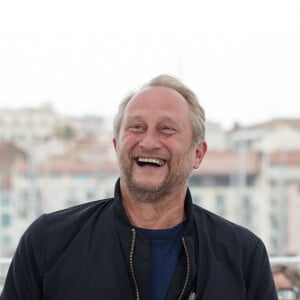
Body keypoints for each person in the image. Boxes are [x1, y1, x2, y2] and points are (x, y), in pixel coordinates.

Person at [0, 74, 277, 300]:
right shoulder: (47, 241)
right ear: (116, 145)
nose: (149, 141)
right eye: (136, 127)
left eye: (167, 129)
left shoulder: (243, 255)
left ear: (198, 154)